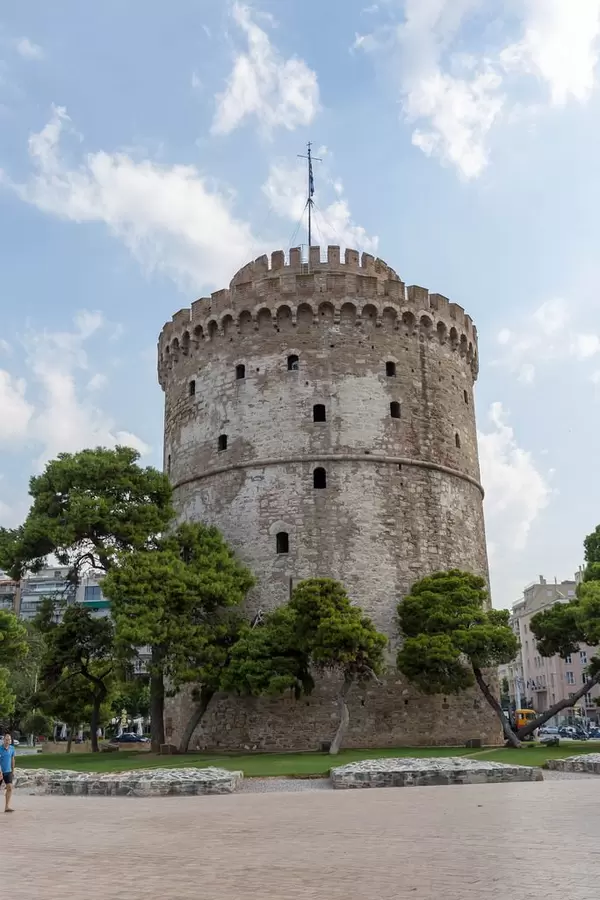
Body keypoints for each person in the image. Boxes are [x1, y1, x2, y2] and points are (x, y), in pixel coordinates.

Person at [0, 733, 15, 813]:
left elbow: (12, 759)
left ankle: (7, 807)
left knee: (9, 788)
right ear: (3, 740)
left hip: (8, 771)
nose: (7, 741)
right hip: (0, 771)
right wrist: (0, 771)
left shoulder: (12, 748)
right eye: (6, 739)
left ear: (10, 741)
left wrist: (13, 770)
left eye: (9, 740)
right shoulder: (0, 749)